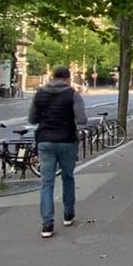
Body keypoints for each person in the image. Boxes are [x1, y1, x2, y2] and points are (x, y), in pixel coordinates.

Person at [30, 65, 89, 239]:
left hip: (45, 141)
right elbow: (82, 119)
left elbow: (32, 119)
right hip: (66, 140)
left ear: (52, 77)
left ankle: (47, 224)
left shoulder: (39, 94)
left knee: (46, 183)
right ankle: (68, 214)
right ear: (67, 78)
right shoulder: (72, 94)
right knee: (68, 177)